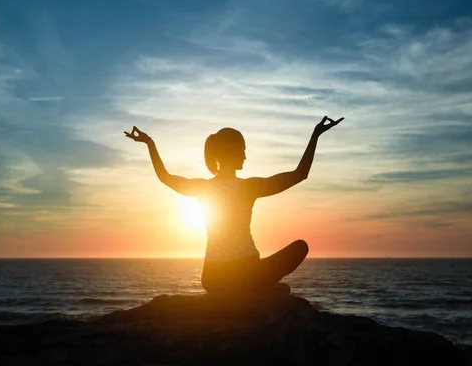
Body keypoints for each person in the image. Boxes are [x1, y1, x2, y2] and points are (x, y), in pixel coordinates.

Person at [124, 115, 344, 295]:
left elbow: (165, 177)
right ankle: (258, 289)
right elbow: (300, 174)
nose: (245, 156)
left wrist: (149, 143)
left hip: (212, 278)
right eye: (243, 150)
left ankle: (254, 289)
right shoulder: (249, 187)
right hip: (246, 271)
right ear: (231, 152)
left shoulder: (204, 187)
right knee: (300, 247)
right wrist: (315, 135)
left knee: (273, 281)